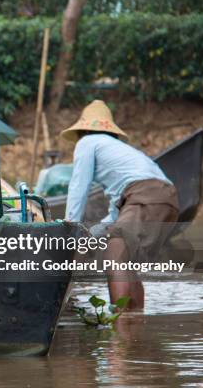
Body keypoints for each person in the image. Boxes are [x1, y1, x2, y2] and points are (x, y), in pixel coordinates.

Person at [61, 100, 179, 310]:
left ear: (83, 130)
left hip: (144, 195)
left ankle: (119, 324)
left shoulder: (87, 143)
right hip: (169, 200)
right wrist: (92, 235)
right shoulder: (122, 153)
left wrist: (71, 228)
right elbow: (118, 213)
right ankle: (134, 323)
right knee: (127, 260)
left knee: (114, 251)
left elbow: (79, 186)